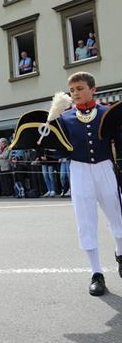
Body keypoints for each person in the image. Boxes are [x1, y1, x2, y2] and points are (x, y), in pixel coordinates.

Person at [57, 72, 122, 296]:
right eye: (72, 90)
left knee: (117, 215)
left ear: (93, 89)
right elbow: (59, 149)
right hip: (79, 170)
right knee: (85, 221)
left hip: (105, 167)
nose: (75, 93)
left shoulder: (108, 112)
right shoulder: (64, 118)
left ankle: (120, 253)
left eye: (80, 88)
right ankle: (96, 273)